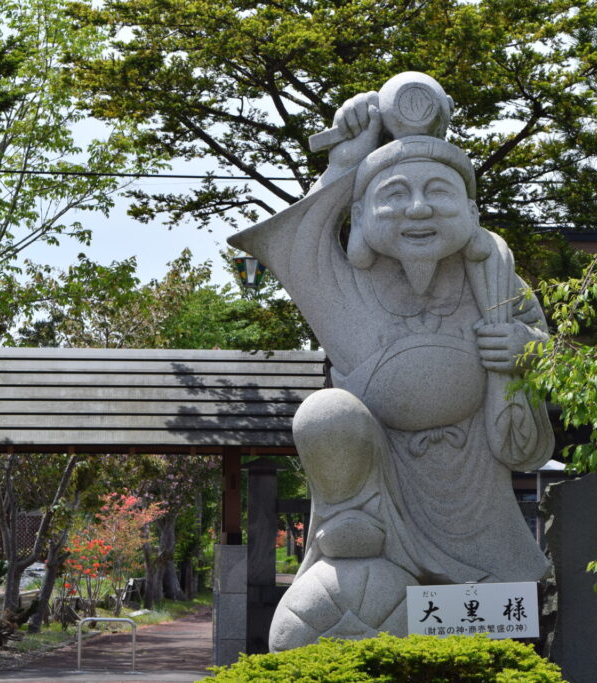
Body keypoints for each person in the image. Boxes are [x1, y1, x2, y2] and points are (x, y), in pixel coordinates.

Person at [228, 81, 553, 650]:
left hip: (472, 476)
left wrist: (526, 351)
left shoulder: (495, 280)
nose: (419, 208)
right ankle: (357, 543)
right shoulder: (345, 288)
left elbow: (553, 355)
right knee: (326, 412)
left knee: (493, 607)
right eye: (394, 194)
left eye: (439, 193)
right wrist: (345, 163)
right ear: (359, 214)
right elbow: (299, 241)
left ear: (472, 212)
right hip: (381, 484)